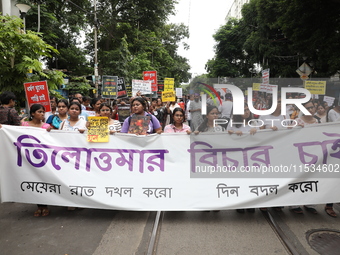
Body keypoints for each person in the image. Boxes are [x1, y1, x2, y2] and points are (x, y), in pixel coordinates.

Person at [21, 104, 51, 217]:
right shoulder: (24, 125)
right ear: (32, 113)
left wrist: (50, 132)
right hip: (28, 159)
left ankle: (45, 206)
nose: (42, 114)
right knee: (34, 181)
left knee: (43, 181)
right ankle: (39, 206)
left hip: (43, 159)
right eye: (39, 112)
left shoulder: (46, 126)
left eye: (43, 112)